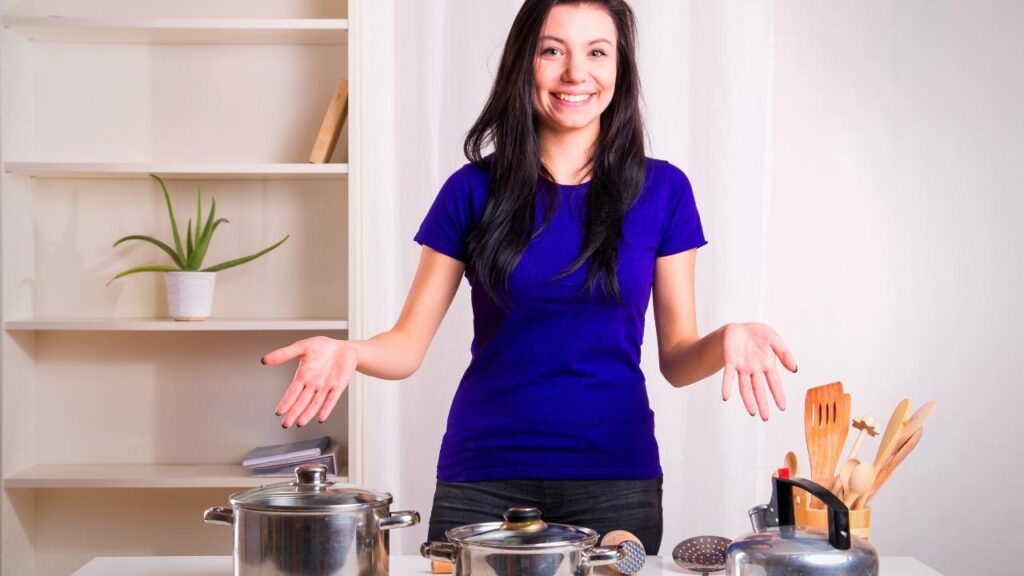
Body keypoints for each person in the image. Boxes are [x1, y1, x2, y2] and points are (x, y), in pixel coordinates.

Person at [261, 0, 796, 554]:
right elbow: (406, 346)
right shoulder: (471, 190)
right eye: (552, 51)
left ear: (620, 69)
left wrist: (726, 338)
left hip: (615, 479)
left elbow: (679, 358)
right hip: (482, 476)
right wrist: (351, 351)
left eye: (597, 52)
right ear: (525, 63)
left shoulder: (662, 191)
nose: (575, 73)